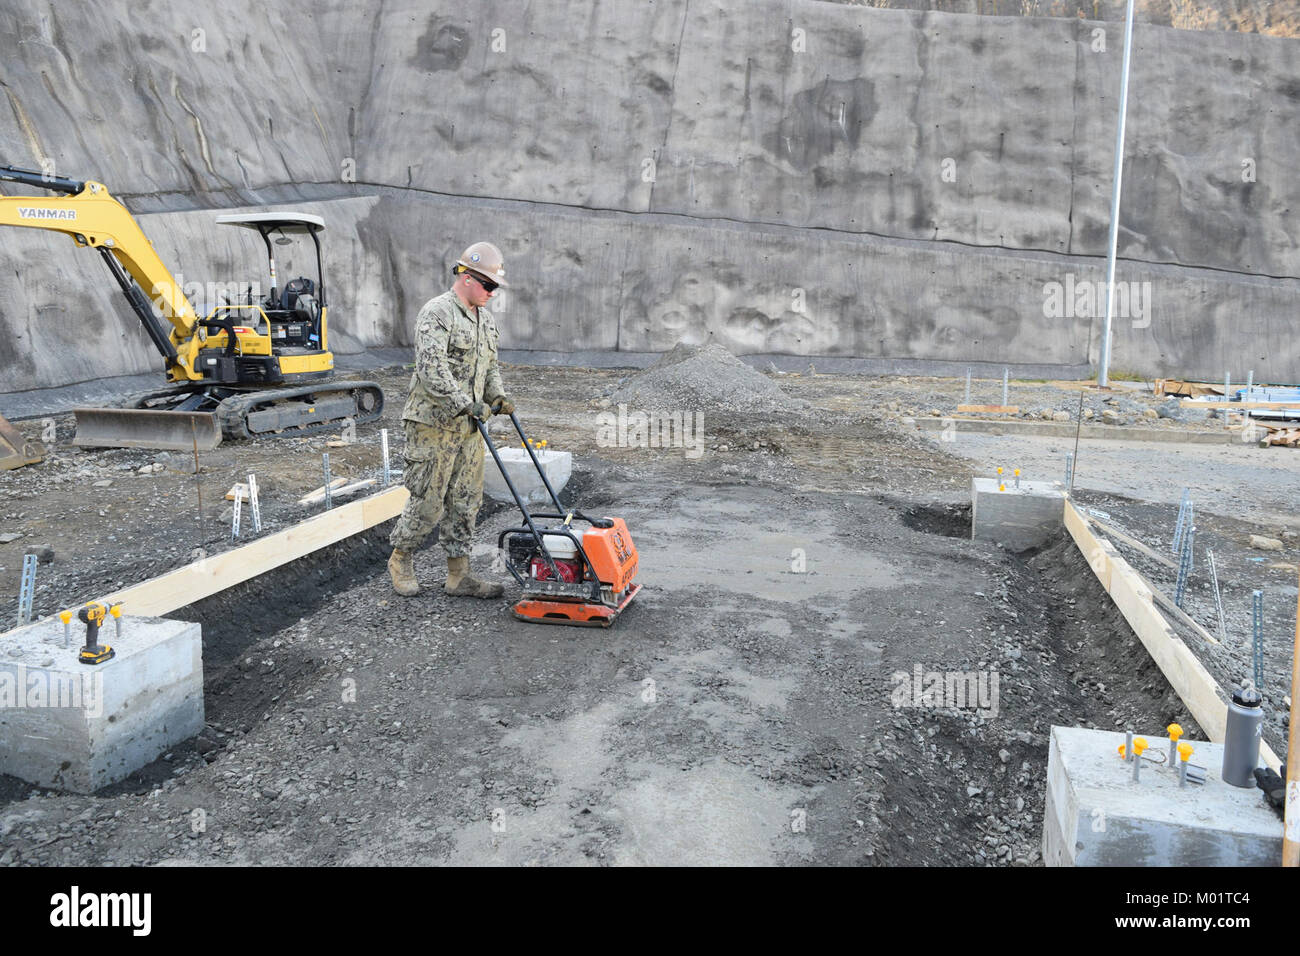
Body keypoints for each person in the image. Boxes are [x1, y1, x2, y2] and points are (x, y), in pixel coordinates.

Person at [387, 241, 515, 597]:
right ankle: (401, 558)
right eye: (488, 286)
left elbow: (489, 368)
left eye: (494, 287)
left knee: (465, 500)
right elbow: (431, 370)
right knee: (428, 499)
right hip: (433, 425)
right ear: (468, 277)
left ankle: (459, 575)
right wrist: (464, 403)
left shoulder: (484, 321)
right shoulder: (437, 313)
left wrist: (497, 397)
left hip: (469, 427)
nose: (492, 293)